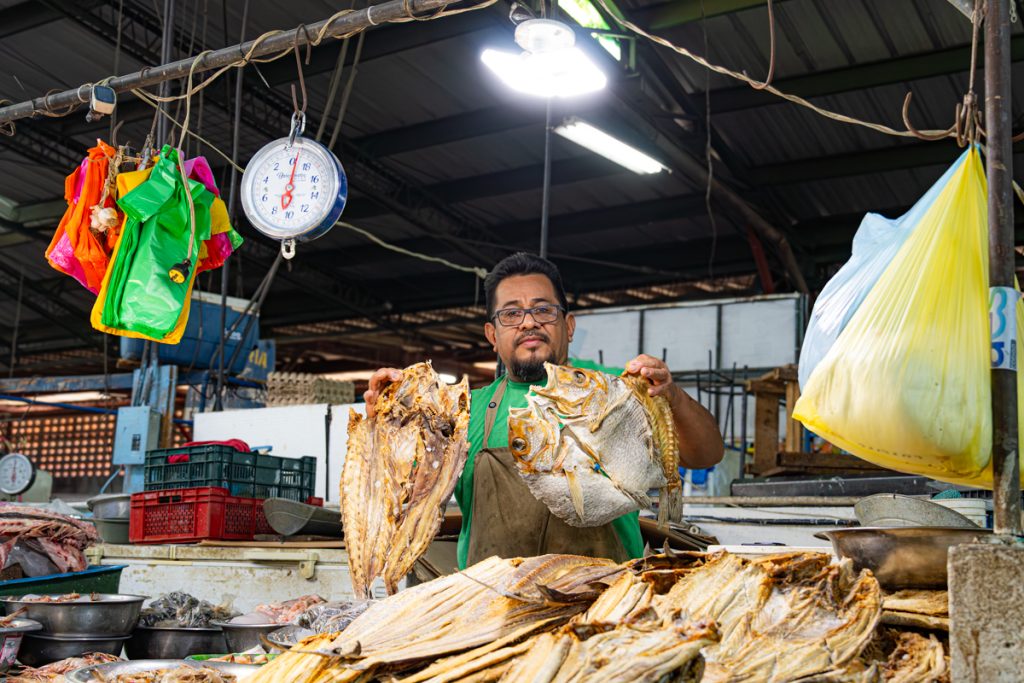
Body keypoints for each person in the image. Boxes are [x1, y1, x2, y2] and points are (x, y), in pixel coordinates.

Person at [364, 253, 724, 569]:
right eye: (511, 313)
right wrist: (383, 428)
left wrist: (671, 395)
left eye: (543, 309)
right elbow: (403, 500)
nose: (528, 322)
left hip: (602, 610)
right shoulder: (462, 412)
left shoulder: (616, 392)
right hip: (496, 612)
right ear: (492, 334)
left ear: (568, 326)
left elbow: (706, 453)